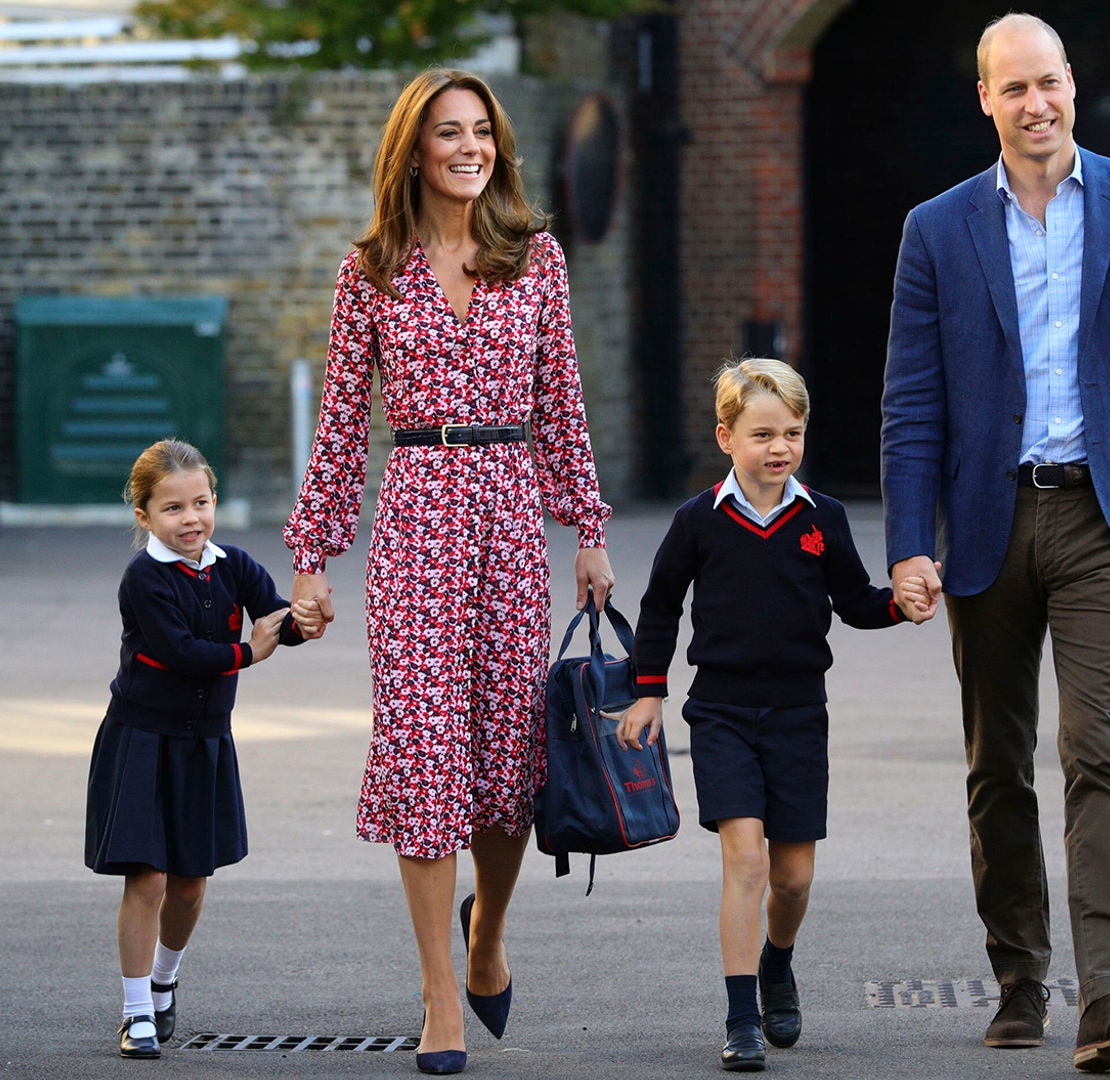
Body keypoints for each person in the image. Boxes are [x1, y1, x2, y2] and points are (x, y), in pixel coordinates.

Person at [880, 11, 1110, 1073]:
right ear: (983, 100)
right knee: (998, 766)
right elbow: (911, 405)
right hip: (986, 522)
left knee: (1100, 753)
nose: (1035, 105)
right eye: (1013, 89)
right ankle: (1020, 975)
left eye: (1050, 83)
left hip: (1106, 516)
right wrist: (909, 544)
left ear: (1072, 85)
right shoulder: (935, 229)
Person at [282, 68, 615, 1077]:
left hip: (511, 514)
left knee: (510, 767)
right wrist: (311, 560)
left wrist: (587, 529)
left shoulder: (537, 260)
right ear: (413, 152)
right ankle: (438, 998)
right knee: (426, 758)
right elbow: (341, 427)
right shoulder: (371, 270)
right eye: (447, 134)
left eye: (481, 132)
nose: (468, 147)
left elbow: (562, 404)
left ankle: (487, 937)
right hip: (417, 516)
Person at [613, 358, 932, 1072]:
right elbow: (660, 606)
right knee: (747, 860)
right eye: (762, 434)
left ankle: (777, 963)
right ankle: (739, 1019)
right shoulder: (699, 520)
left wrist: (898, 605)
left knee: (792, 880)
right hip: (720, 713)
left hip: (797, 715)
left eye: (792, 432)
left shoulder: (825, 519)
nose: (779, 447)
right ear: (726, 437)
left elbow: (855, 603)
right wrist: (648, 690)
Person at [84, 438, 304, 1059]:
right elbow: (181, 653)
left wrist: (302, 622)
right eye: (173, 508)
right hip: (142, 738)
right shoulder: (143, 579)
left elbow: (274, 615)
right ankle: (135, 1014)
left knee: (189, 884)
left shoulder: (232, 564)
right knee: (147, 877)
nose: (191, 519)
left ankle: (163, 982)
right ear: (144, 517)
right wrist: (249, 652)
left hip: (205, 744)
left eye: (201, 503)